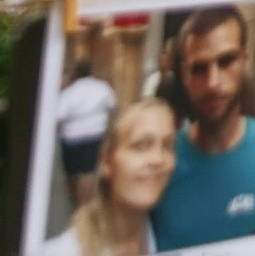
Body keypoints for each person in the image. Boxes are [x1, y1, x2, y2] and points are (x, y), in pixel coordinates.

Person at [150, 6, 255, 247]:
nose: (213, 83)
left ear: (246, 60)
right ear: (185, 76)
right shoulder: (161, 159)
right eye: (199, 68)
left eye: (226, 61)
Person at [48, 97, 177, 256]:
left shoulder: (165, 237)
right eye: (141, 146)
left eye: (168, 145)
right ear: (106, 162)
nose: (158, 159)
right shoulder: (66, 250)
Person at [55, 57, 119, 209]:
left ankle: (74, 201)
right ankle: (84, 204)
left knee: (71, 171)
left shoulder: (69, 92)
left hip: (70, 138)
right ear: (91, 72)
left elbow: (59, 116)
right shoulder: (102, 87)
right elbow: (113, 106)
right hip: (95, 135)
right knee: (88, 171)